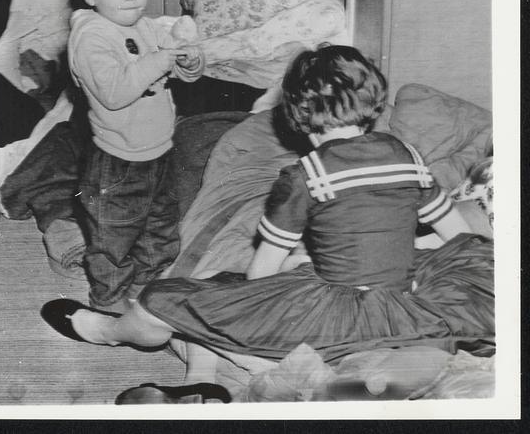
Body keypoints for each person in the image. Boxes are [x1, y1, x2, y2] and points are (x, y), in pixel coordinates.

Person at [41, 44, 494, 399]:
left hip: (333, 312)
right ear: (372, 102)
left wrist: (294, 266)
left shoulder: (305, 176)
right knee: (222, 292)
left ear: (298, 117)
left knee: (171, 298)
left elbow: (260, 276)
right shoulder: (408, 157)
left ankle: (112, 333)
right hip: (402, 303)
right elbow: (457, 235)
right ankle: (210, 379)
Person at [67, 0, 205, 311]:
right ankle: (108, 300)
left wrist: (189, 62)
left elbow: (178, 71)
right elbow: (114, 92)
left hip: (159, 152)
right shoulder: (90, 37)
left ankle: (148, 286)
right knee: (113, 235)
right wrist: (160, 60)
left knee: (159, 228)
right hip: (117, 162)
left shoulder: (144, 27)